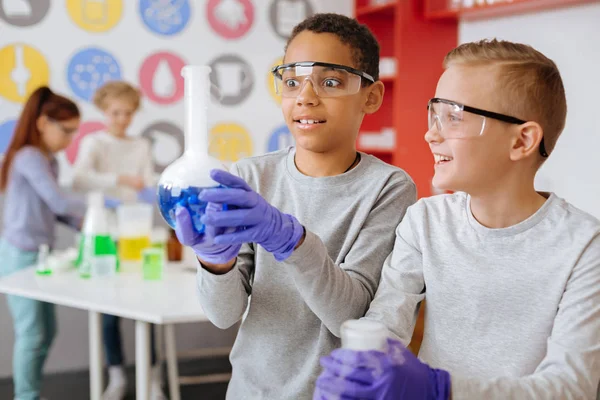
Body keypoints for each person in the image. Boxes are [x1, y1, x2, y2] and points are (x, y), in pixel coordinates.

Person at [314, 39, 600, 399]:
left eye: (454, 117)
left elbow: (572, 387)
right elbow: (387, 321)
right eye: (434, 114)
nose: (431, 133)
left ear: (522, 141)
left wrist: (441, 389)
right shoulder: (425, 222)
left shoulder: (585, 247)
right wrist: (362, 369)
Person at [173, 13, 417, 399]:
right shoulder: (252, 177)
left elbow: (349, 317)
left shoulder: (387, 188)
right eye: (291, 81)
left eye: (330, 81)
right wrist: (215, 260)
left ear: (371, 96)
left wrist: (291, 240)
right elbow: (223, 316)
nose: (305, 95)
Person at [0, 86, 107, 400]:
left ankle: (30, 393)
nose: (70, 139)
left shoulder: (49, 159)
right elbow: (59, 202)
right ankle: (25, 396)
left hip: (39, 254)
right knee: (32, 333)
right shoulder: (28, 156)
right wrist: (101, 206)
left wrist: (86, 224)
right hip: (20, 254)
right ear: (43, 122)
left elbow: (56, 211)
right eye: (67, 131)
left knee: (46, 331)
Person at [71, 81, 163, 400]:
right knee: (109, 312)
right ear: (103, 111)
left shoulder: (141, 145)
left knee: (146, 308)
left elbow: (149, 181)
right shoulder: (94, 143)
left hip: (136, 233)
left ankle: (151, 379)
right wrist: (120, 180)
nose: (122, 119)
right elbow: (78, 178)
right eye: (116, 113)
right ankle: (117, 377)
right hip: (104, 235)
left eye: (128, 113)